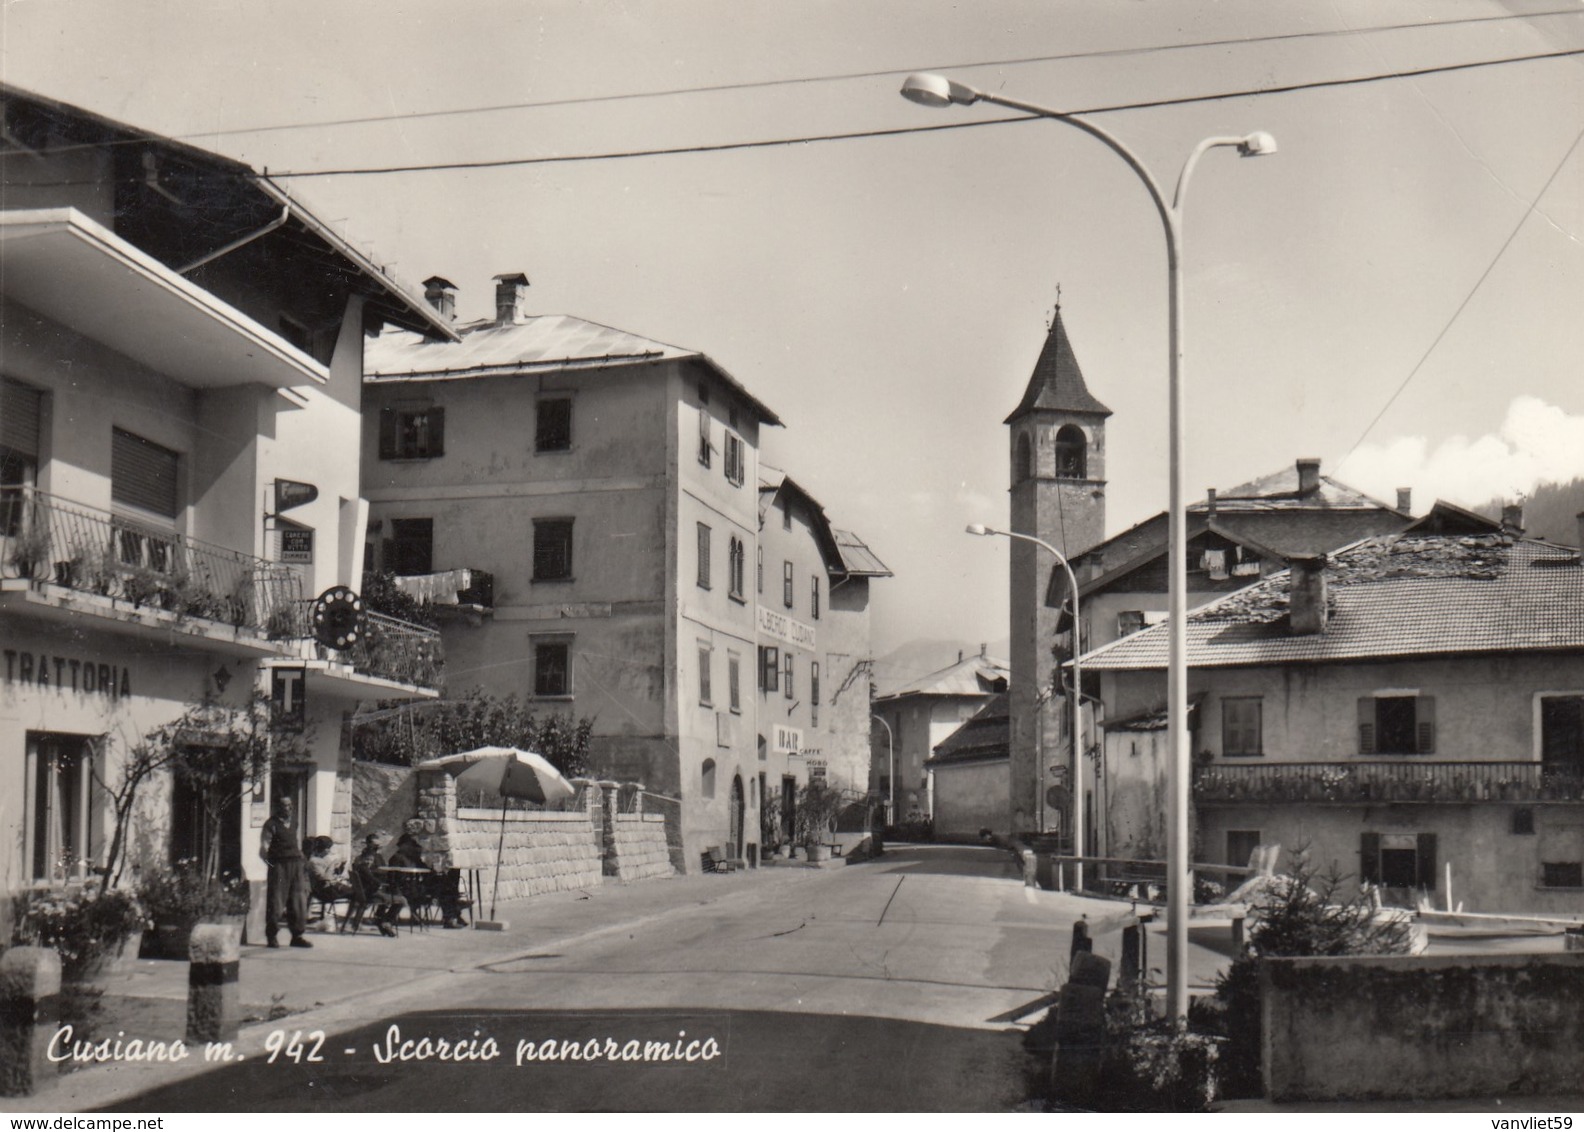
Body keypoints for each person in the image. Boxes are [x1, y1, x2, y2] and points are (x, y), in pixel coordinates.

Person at [388, 833, 468, 929]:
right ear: (403, 845)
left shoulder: (414, 858)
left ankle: (453, 914)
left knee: (446, 885)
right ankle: (452, 915)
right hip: (406, 888)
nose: (412, 848)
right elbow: (394, 877)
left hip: (416, 886)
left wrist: (434, 872)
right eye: (410, 845)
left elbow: (427, 871)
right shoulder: (396, 858)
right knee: (445, 889)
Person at [260, 796, 310, 949]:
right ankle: (272, 936)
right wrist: (272, 866)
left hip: (295, 864)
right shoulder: (271, 825)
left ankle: (297, 935)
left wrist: (302, 861)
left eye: (289, 805)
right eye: (284, 805)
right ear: (278, 807)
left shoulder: (294, 822)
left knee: (298, 901)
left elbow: (295, 842)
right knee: (276, 901)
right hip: (279, 865)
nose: (287, 809)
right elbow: (263, 850)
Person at [353, 834, 405, 937]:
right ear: (368, 844)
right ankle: (386, 921)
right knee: (401, 900)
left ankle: (380, 918)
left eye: (379, 845)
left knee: (396, 893)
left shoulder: (371, 857)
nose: (377, 847)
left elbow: (384, 871)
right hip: (372, 891)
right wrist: (381, 879)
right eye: (375, 845)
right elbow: (375, 875)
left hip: (371, 889)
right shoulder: (365, 860)